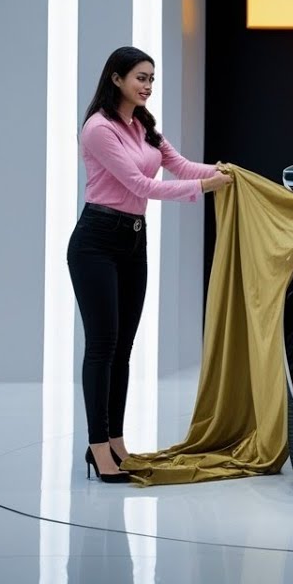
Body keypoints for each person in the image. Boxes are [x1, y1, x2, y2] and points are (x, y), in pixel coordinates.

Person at [67, 46, 233, 483]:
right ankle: (97, 447)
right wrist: (206, 189)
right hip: (96, 241)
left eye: (152, 79)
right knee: (102, 346)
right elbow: (140, 185)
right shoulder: (98, 129)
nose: (148, 86)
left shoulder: (144, 126)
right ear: (116, 78)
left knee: (123, 347)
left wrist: (223, 173)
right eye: (141, 77)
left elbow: (180, 166)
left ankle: (116, 441)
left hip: (133, 241)